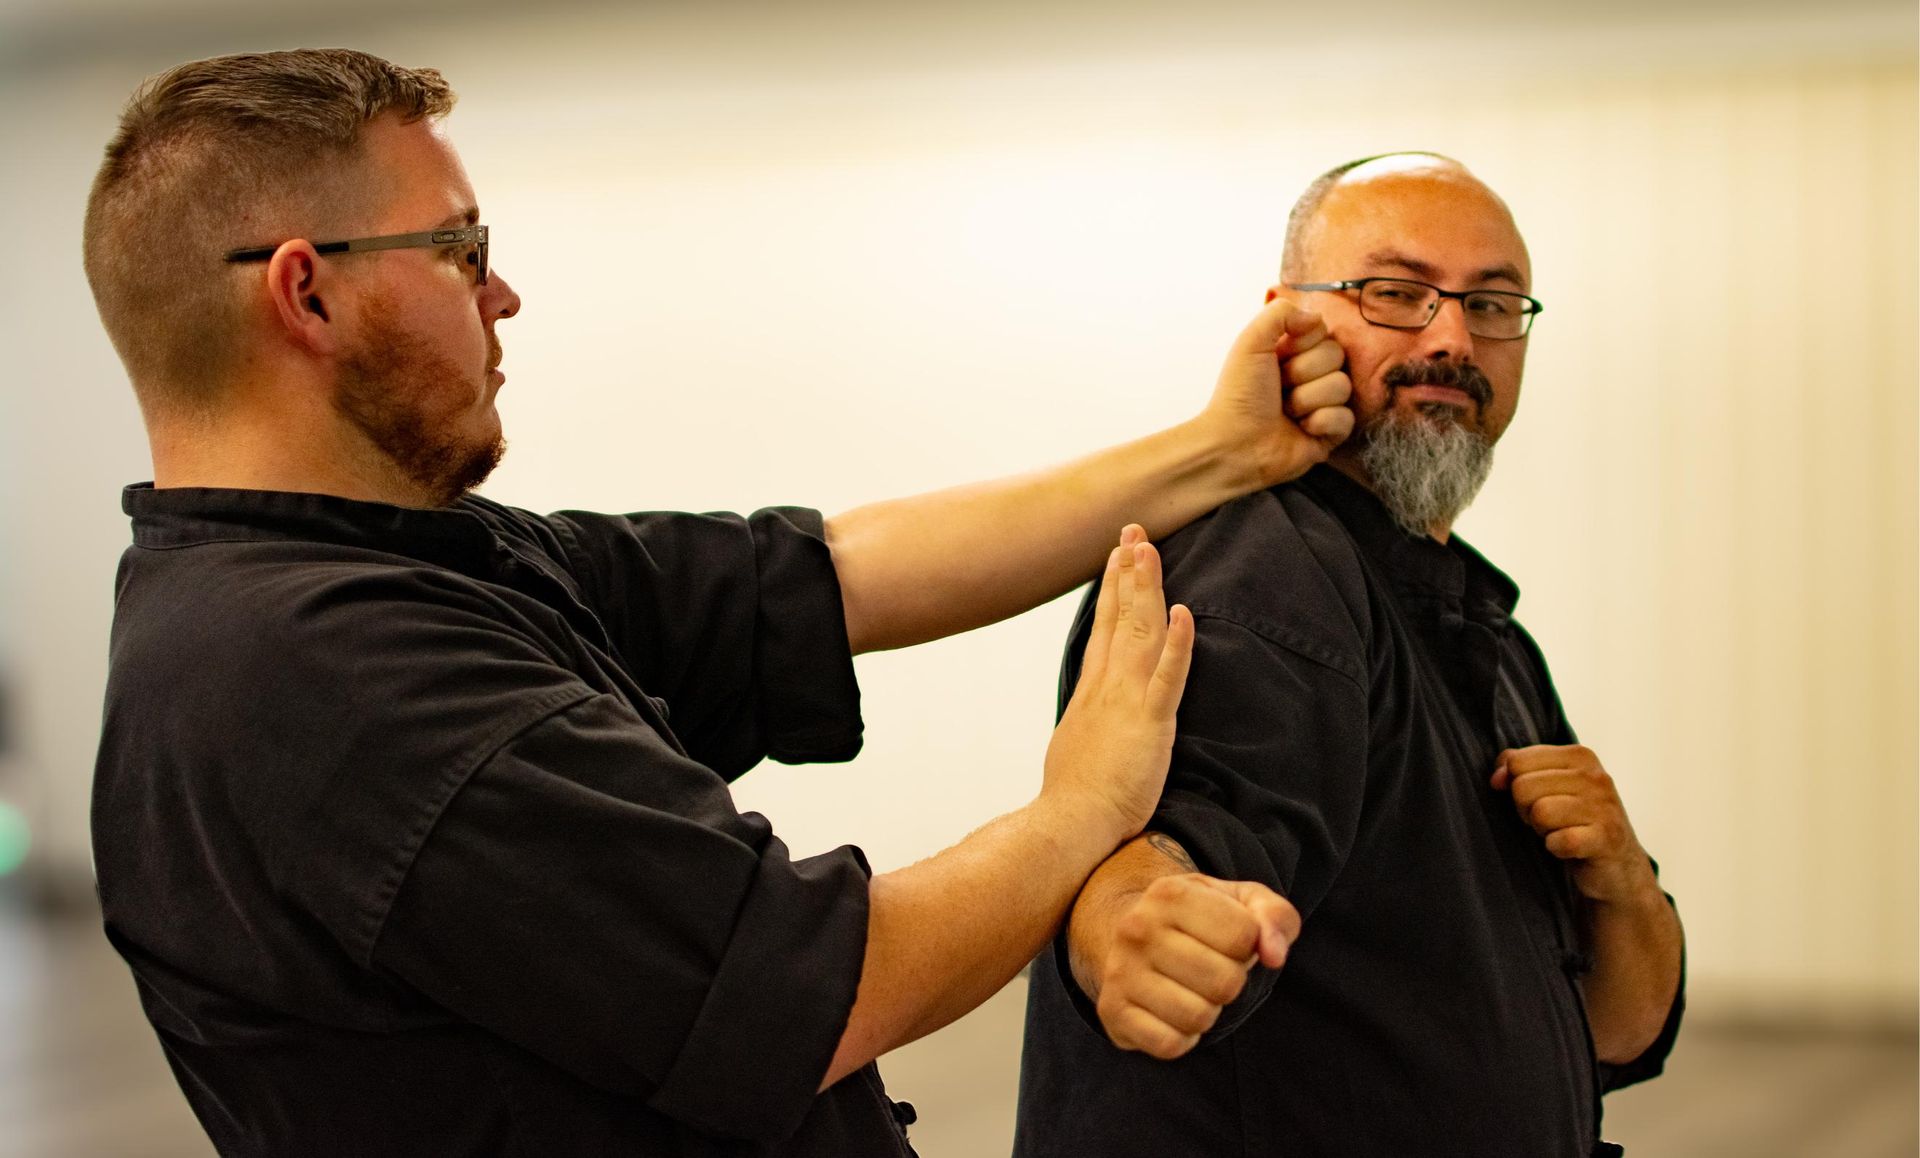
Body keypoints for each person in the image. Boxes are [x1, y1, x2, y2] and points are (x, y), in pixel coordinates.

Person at [81, 49, 1355, 1158]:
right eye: (461, 248)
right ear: (306, 291)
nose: (502, 293)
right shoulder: (329, 675)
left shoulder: (408, 565)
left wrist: (1218, 450)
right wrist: (1084, 808)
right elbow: (819, 992)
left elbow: (832, 571)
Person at [1015, 153, 1686, 1158]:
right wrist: (1131, 918)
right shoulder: (1261, 574)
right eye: (1397, 293)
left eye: (1494, 304)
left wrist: (1624, 881)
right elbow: (1182, 866)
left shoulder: (1489, 638)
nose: (1453, 337)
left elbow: (1615, 1032)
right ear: (1289, 319)